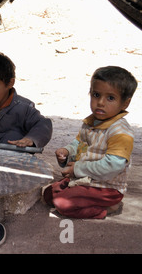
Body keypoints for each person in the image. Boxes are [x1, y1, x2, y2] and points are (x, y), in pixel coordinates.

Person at [43, 66, 137, 219]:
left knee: (63, 204)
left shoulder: (121, 132)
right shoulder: (91, 122)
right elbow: (80, 145)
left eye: (110, 98)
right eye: (96, 94)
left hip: (106, 187)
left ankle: (108, 208)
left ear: (125, 103)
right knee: (48, 195)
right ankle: (78, 194)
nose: (100, 102)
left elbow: (113, 166)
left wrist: (77, 169)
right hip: (86, 179)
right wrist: (67, 152)